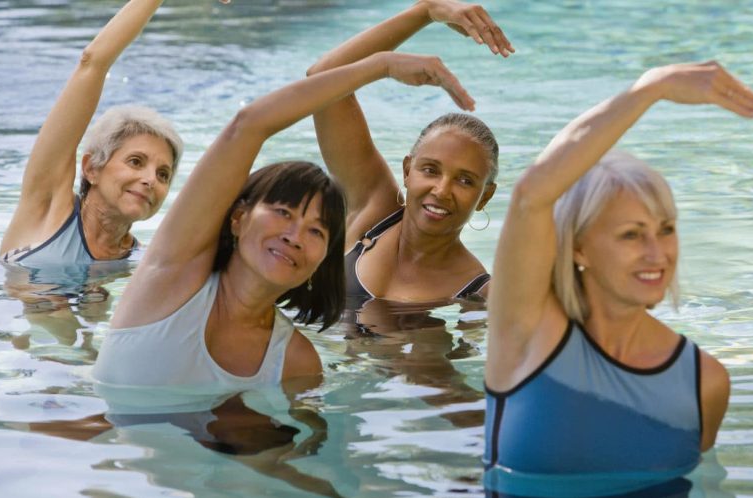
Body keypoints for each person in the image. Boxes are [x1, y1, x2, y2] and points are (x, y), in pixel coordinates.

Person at [92, 45, 479, 388]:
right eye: (282, 212)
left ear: (322, 261)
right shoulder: (171, 277)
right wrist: (382, 65)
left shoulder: (296, 363)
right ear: (238, 218)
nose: (295, 235)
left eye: (316, 231)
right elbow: (248, 127)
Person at [484, 61, 753, 497]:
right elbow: (531, 195)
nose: (656, 254)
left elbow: (707, 488)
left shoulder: (705, 381)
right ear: (579, 246)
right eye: (631, 235)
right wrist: (649, 91)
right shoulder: (525, 334)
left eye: (666, 229)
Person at [307, 0, 514, 304]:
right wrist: (425, 12)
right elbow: (322, 79)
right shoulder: (372, 211)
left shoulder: (477, 293)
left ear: (485, 196)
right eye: (430, 170)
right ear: (407, 170)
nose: (442, 190)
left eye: (465, 180)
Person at [0, 0, 182, 266]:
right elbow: (92, 62)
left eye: (163, 174)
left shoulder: (142, 264)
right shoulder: (47, 207)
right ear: (92, 168)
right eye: (135, 161)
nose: (150, 179)